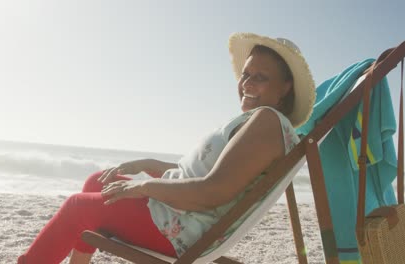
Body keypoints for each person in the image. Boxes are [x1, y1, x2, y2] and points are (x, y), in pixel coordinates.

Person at [18, 32, 315, 264]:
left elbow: (211, 193)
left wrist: (146, 187)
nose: (247, 83)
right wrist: (146, 164)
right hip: (181, 212)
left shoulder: (266, 122)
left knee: (76, 207)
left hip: (184, 229)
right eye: (246, 74)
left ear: (285, 87)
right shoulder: (259, 122)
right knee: (98, 181)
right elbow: (197, 176)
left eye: (260, 77)